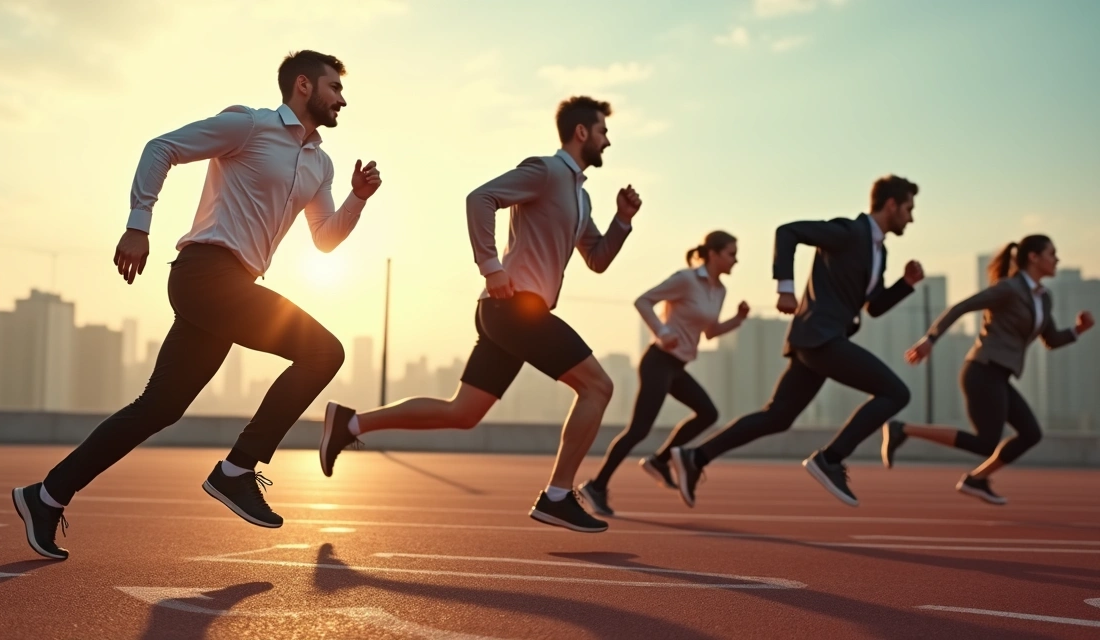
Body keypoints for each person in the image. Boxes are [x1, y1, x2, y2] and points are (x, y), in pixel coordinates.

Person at [11, 50, 383, 560]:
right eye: (334, 87)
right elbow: (160, 147)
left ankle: (47, 495)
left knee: (159, 408)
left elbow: (324, 239)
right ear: (303, 86)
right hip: (205, 274)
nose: (342, 98)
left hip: (231, 287)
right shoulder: (248, 126)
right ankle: (237, 469)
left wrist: (358, 199)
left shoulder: (320, 162)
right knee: (324, 352)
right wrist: (138, 225)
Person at [318, 96, 642, 533]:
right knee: (598, 387)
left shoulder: (580, 197)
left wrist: (621, 221)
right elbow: (481, 197)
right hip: (513, 308)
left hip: (513, 314)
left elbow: (597, 259)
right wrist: (491, 266)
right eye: (603, 131)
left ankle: (349, 423)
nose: (608, 140)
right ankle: (558, 494)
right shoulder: (546, 171)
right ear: (582, 132)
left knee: (463, 413)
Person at [670, 175, 924, 508]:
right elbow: (787, 231)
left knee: (778, 416)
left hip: (821, 339)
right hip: (821, 337)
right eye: (909, 208)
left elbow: (872, 307)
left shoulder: (880, 252)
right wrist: (785, 287)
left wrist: (905, 284)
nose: (911, 217)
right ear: (891, 204)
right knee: (895, 392)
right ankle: (830, 460)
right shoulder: (849, 232)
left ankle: (695, 457)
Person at [884, 235, 1093, 504]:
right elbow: (961, 307)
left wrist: (1077, 330)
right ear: (1033, 257)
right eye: (1052, 253)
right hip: (982, 371)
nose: (1057, 259)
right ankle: (902, 429)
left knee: (1031, 434)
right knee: (985, 442)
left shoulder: (1043, 298)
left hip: (999, 376)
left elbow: (1051, 339)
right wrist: (930, 339)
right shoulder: (1009, 288)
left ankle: (977, 479)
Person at [576, 231, 749, 516]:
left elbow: (710, 331)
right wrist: (663, 330)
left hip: (677, 367)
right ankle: (596, 486)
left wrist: (738, 320)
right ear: (714, 254)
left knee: (708, 413)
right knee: (639, 430)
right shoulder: (686, 279)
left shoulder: (719, 291)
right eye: (732, 253)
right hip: (658, 361)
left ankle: (660, 461)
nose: (736, 260)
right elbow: (643, 300)